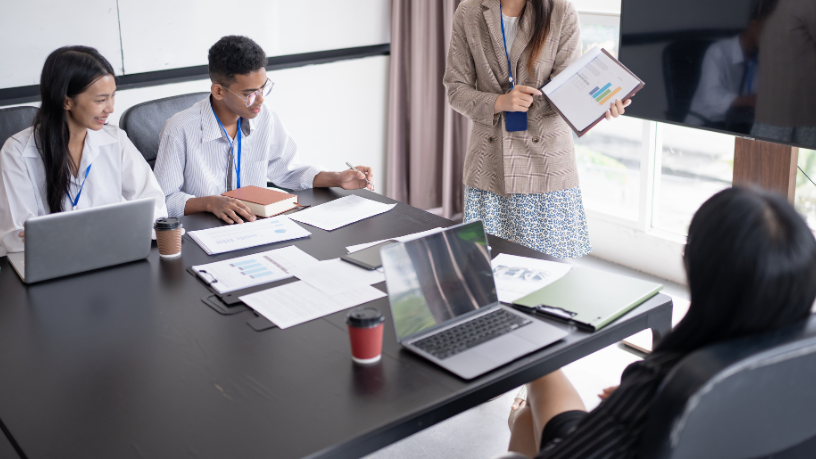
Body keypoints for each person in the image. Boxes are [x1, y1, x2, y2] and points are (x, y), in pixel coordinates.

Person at [506, 186, 816, 458]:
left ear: (694, 269)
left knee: (538, 381)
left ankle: (533, 358)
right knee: (524, 421)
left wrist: (636, 403)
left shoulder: (668, 383)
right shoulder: (798, 362)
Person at [444, 0, 629, 259]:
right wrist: (499, 102)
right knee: (487, 267)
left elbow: (568, 90)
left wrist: (600, 105)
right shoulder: (469, 11)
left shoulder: (560, 11)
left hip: (546, 166)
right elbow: (455, 89)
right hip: (489, 165)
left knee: (549, 270)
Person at [153, 35, 375, 224]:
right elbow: (164, 200)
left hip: (254, 226)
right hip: (202, 229)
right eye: (249, 93)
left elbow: (288, 170)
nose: (260, 100)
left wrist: (337, 178)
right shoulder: (179, 129)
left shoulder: (264, 116)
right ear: (219, 91)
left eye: (263, 88)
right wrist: (210, 203)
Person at [0, 46, 167, 255]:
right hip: (52, 261)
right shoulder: (17, 152)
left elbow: (153, 204)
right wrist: (107, 228)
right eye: (100, 100)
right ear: (66, 101)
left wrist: (64, 233)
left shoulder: (115, 140)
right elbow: (18, 237)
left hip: (110, 252)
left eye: (112, 96)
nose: (110, 108)